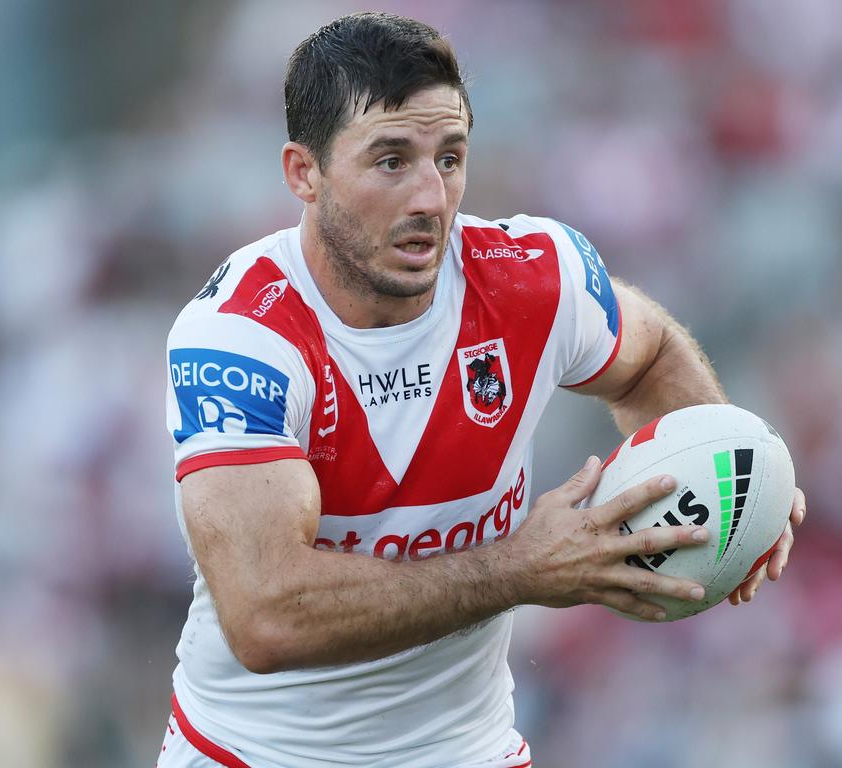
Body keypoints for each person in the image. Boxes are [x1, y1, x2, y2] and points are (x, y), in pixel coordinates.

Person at [159, 12, 804, 768]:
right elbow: (266, 615)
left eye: (451, 157)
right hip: (254, 756)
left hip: (470, 753)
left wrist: (734, 472)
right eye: (391, 161)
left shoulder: (532, 275)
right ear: (304, 172)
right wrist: (520, 568)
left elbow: (649, 350)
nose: (433, 197)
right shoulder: (241, 337)